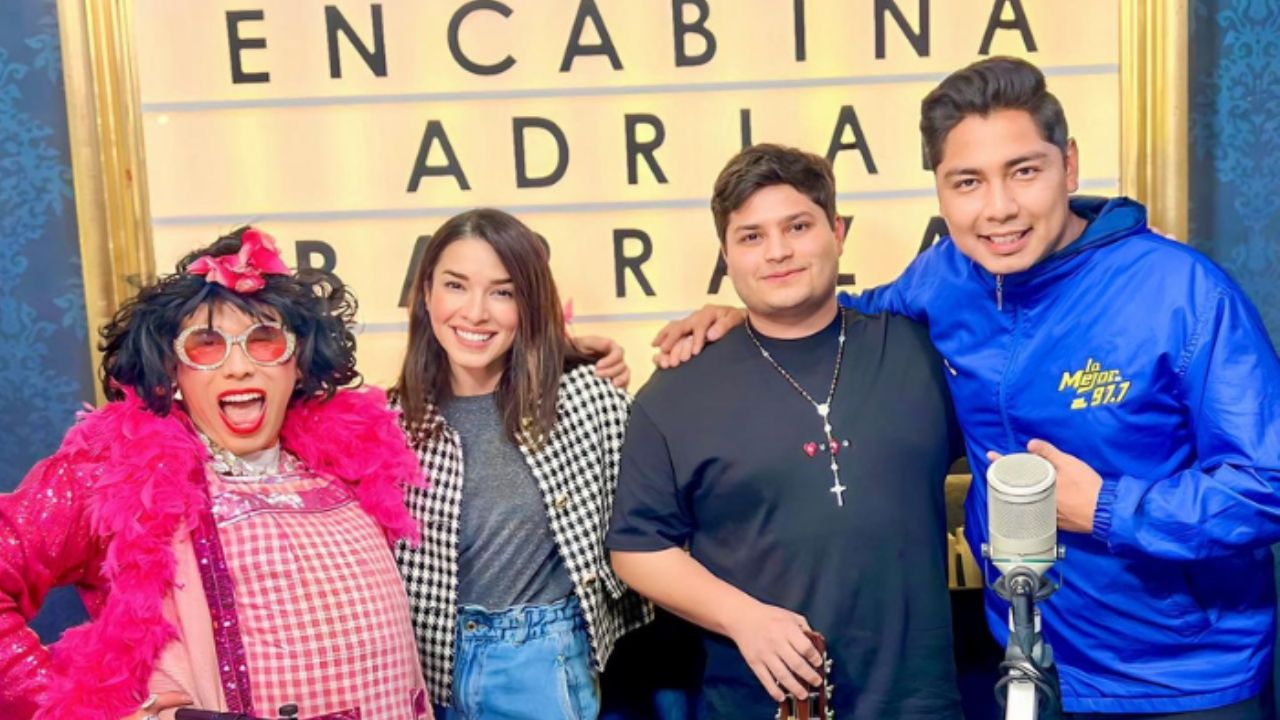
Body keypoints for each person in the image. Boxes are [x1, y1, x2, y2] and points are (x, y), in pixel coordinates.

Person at [652, 57, 1280, 718]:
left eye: (1024, 171)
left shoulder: (1179, 290)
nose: (999, 208)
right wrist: (746, 318)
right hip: (1031, 665)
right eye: (968, 182)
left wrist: (1106, 507)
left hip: (1185, 679)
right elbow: (844, 321)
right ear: (940, 190)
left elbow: (1268, 483)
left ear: (1069, 165)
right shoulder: (944, 278)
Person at [0, 228, 431, 720]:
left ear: (298, 363)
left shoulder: (344, 461)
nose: (239, 367)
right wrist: (78, 712)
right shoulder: (120, 474)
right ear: (173, 371)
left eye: (264, 340)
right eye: (206, 345)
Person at [607, 144, 965, 719]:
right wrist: (743, 618)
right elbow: (636, 546)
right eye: (751, 236)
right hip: (759, 702)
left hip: (919, 701)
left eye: (797, 227)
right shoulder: (675, 392)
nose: (777, 252)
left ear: (837, 232)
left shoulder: (919, 353)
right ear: (726, 257)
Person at [391, 208, 652, 720]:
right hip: (415, 671)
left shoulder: (586, 400)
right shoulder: (390, 422)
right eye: (456, 285)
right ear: (425, 294)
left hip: (538, 666)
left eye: (503, 293)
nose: (475, 312)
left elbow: (666, 512)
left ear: (529, 304)